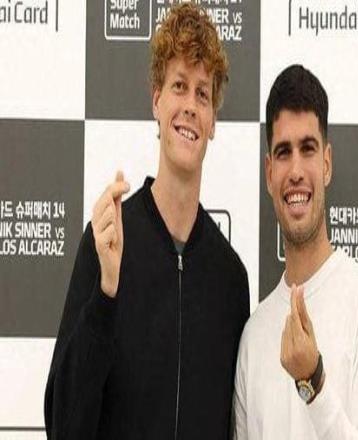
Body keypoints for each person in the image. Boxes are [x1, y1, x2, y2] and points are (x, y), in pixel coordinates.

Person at [44, 4, 249, 439]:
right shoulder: (108, 242)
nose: (190, 106)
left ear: (213, 121)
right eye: (179, 86)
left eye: (202, 94)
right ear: (156, 100)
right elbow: (63, 427)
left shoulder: (231, 280)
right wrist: (106, 295)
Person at [233, 65, 358, 439]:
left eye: (307, 149)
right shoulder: (254, 336)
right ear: (269, 173)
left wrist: (313, 381)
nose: (295, 171)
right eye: (283, 152)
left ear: (326, 164)